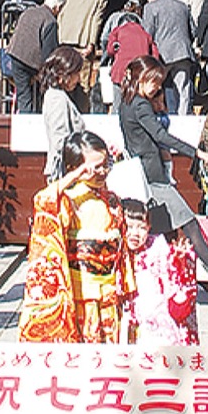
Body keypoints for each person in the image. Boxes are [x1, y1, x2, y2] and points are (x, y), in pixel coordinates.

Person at [117, 55, 208, 298]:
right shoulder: (140, 104)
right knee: (188, 224)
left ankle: (194, 277)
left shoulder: (125, 102)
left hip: (142, 174)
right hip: (153, 176)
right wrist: (196, 153)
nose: (157, 87)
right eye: (153, 81)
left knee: (165, 231)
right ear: (141, 78)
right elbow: (160, 136)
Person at [19, 131, 132, 342]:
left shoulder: (112, 199)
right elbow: (43, 201)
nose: (102, 172)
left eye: (105, 164)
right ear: (74, 168)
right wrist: (74, 177)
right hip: (82, 292)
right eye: (95, 167)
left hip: (109, 289)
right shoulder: (67, 199)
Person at [119, 198, 198, 346]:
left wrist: (180, 262)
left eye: (141, 227)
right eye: (129, 227)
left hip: (158, 324)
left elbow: (174, 288)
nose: (135, 233)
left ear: (149, 227)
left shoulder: (158, 249)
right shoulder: (114, 251)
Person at [141, 0, 196, 115]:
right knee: (183, 89)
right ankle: (183, 119)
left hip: (162, 55)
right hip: (182, 52)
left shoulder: (150, 7)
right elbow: (193, 31)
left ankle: (159, 116)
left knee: (155, 86)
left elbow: (147, 33)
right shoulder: (182, 6)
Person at [7, 0, 66, 113]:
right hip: (32, 61)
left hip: (15, 55)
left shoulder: (29, 11)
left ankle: (25, 120)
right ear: (57, 7)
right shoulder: (50, 21)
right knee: (45, 94)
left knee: (24, 96)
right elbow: (49, 53)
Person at [58, 0, 108, 100]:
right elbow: (95, 22)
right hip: (83, 44)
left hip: (64, 42)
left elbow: (60, 17)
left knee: (65, 79)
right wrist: (91, 44)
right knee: (83, 84)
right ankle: (81, 114)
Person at [39, 45, 85, 180]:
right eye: (76, 73)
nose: (79, 79)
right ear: (64, 74)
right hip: (63, 172)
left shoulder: (57, 96)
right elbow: (60, 140)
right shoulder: (56, 98)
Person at [104, 0, 157, 101]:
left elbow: (110, 50)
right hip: (140, 72)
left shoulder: (117, 31)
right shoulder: (146, 34)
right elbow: (155, 55)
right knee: (138, 102)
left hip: (120, 73)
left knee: (118, 104)